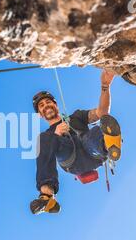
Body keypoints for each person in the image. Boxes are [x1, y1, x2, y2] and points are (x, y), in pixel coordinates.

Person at [30, 70, 122, 215]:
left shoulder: (76, 117)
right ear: (40, 114)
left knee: (96, 130)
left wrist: (105, 85)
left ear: (56, 105)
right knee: (45, 139)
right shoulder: (48, 136)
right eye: (41, 106)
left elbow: (102, 112)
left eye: (48, 102)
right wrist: (56, 134)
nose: (46, 105)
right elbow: (47, 153)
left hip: (93, 151)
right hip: (72, 161)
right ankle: (47, 197)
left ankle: (109, 144)